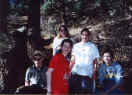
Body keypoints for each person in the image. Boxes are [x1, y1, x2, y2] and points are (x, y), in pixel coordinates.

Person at [69, 28, 100, 94]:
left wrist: (94, 73)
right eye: (83, 35)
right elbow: (73, 59)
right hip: (75, 73)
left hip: (87, 75)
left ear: (89, 36)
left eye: (86, 35)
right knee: (73, 92)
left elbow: (95, 61)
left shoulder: (93, 46)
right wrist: (68, 70)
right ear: (81, 35)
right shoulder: (76, 46)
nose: (84, 36)